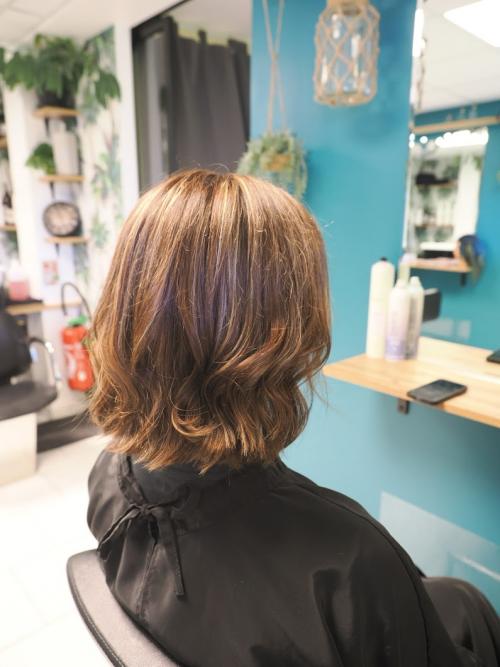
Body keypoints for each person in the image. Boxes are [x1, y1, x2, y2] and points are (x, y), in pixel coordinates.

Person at [87, 169, 500, 667]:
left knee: (454, 597)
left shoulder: (107, 476)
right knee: (469, 603)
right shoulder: (348, 561)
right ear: (284, 334)